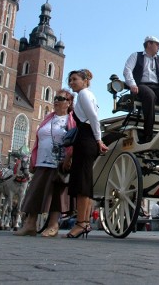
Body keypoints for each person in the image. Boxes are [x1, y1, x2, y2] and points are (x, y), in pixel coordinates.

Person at [14, 88, 76, 237]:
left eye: (60, 99)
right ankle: (30, 225)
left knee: (56, 195)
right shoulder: (48, 118)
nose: (56, 101)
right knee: (35, 193)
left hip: (58, 163)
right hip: (42, 160)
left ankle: (53, 225)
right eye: (55, 98)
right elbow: (38, 139)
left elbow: (74, 141)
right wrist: (33, 159)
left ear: (68, 103)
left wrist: (69, 158)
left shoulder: (71, 120)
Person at [64, 69, 108, 239]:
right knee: (84, 182)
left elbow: (93, 118)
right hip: (85, 139)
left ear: (84, 81)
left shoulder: (83, 94)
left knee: (82, 183)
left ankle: (82, 223)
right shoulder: (87, 95)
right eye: (70, 80)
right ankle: (84, 222)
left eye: (75, 79)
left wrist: (98, 140)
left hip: (86, 139)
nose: (71, 82)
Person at [123, 36, 159, 143]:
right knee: (150, 96)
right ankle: (148, 134)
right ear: (149, 44)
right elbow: (127, 70)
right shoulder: (136, 55)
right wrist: (132, 84)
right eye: (157, 44)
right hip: (141, 85)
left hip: (157, 87)